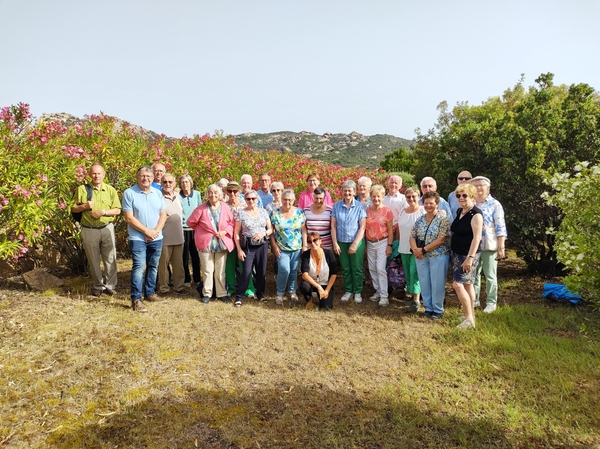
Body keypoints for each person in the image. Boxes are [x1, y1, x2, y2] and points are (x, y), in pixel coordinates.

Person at [71, 163, 121, 297]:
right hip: (89, 229)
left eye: (99, 173)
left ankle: (111, 286)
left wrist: (103, 212)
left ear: (104, 175)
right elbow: (73, 209)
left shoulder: (110, 190)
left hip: (107, 228)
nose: (96, 176)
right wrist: (84, 206)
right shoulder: (82, 189)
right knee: (93, 259)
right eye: (94, 173)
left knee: (110, 258)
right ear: (89, 174)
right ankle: (98, 285)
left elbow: (117, 210)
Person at [122, 166, 167, 312]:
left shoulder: (158, 193)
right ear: (137, 177)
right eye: (142, 176)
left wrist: (155, 232)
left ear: (153, 178)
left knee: (153, 266)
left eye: (148, 176)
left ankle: (149, 293)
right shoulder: (129, 193)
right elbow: (129, 217)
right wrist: (146, 231)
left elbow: (163, 215)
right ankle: (136, 299)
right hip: (138, 238)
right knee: (139, 267)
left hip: (156, 236)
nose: (145, 178)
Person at [186, 184, 235, 303]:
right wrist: (202, 231)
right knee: (208, 270)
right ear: (207, 194)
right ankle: (207, 293)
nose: (213, 195)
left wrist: (224, 231)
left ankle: (222, 293)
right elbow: (190, 222)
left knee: (220, 270)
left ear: (220, 194)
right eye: (210, 192)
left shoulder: (225, 207)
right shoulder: (201, 208)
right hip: (206, 244)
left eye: (216, 192)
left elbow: (232, 223)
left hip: (221, 243)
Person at [409, 191, 450, 320]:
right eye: (426, 203)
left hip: (438, 255)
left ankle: (437, 309)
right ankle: (428, 308)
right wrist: (415, 249)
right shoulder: (420, 219)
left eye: (431, 203)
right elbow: (412, 236)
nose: (428, 206)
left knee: (437, 283)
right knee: (424, 282)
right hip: (421, 256)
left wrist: (424, 250)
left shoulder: (443, 219)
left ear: (437, 204)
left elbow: (442, 239)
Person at [472, 176, 507, 313]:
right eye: (476, 185)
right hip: (473, 245)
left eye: (481, 185)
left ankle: (491, 302)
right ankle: (474, 300)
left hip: (489, 244)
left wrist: (501, 247)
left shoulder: (494, 204)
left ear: (488, 187)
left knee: (490, 275)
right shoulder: (471, 203)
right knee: (473, 274)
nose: (479, 188)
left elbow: (500, 227)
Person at [450, 183, 483, 329]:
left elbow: (477, 238)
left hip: (468, 255)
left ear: (472, 196)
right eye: (458, 195)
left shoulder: (475, 214)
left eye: (465, 195)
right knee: (468, 285)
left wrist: (470, 257)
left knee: (457, 284)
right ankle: (470, 314)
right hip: (457, 253)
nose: (461, 198)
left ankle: (469, 320)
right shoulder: (460, 211)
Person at [234, 189, 273, 306]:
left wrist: (263, 233)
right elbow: (236, 233)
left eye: (253, 198)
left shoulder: (263, 212)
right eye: (248, 199)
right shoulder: (241, 213)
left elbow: (270, 229)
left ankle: (260, 294)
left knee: (261, 271)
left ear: (257, 199)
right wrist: (239, 249)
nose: (251, 201)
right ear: (245, 200)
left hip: (262, 245)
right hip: (248, 246)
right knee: (246, 271)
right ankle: (239, 297)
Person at [332, 180, 367, 303]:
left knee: (356, 268)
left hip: (356, 241)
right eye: (345, 190)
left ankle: (357, 291)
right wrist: (335, 243)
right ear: (342, 192)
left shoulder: (360, 206)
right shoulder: (336, 206)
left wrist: (355, 244)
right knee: (346, 268)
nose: (347, 192)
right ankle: (348, 290)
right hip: (341, 241)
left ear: (354, 192)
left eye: (349, 190)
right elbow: (333, 226)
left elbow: (362, 227)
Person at [270, 189, 306, 304]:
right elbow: (271, 232)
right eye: (285, 199)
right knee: (284, 269)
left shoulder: (299, 213)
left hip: (296, 247)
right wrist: (274, 245)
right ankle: (280, 294)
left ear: (293, 200)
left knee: (294, 271)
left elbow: (304, 230)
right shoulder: (275, 213)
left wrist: (304, 245)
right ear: (281, 199)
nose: (287, 202)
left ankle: (292, 291)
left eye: (290, 200)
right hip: (281, 248)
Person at [397, 187, 425, 313]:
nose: (411, 199)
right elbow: (399, 229)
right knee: (408, 273)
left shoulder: (423, 211)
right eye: (408, 197)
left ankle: (416, 300)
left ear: (419, 197)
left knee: (415, 272)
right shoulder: (403, 211)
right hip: (403, 247)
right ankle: (412, 295)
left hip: (417, 248)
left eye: (414, 196)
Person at [157, 173, 186, 295]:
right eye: (165, 182)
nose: (167, 184)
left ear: (174, 183)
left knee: (178, 263)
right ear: (161, 183)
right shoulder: (158, 196)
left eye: (170, 182)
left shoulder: (178, 196)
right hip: (164, 236)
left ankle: (179, 286)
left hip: (179, 236)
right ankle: (164, 288)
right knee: (163, 265)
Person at [224, 181, 254, 299]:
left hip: (244, 239)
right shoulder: (224, 206)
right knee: (229, 265)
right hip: (229, 239)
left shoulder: (244, 206)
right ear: (226, 192)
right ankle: (231, 288)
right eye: (230, 191)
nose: (232, 193)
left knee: (245, 265)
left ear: (239, 192)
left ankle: (249, 288)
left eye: (235, 191)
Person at [365, 185, 394, 306]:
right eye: (373, 196)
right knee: (372, 268)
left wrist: (389, 245)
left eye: (378, 196)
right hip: (369, 242)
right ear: (370, 197)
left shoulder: (387, 211)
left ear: (382, 197)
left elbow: (391, 230)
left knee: (380, 268)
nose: (376, 199)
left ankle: (384, 295)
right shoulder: (367, 210)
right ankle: (377, 290)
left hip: (382, 242)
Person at [300, 232, 338, 310]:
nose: (313, 243)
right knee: (304, 286)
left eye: (315, 240)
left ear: (320, 241)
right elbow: (304, 275)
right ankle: (310, 300)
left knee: (326, 308)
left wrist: (327, 290)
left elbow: (334, 274)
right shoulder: (306, 254)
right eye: (310, 242)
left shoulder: (328, 253)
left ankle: (322, 297)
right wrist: (318, 287)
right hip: (312, 284)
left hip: (325, 284)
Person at [179, 174, 202, 288]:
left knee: (195, 255)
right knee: (184, 255)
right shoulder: (178, 195)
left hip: (195, 229)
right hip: (182, 228)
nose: (184, 184)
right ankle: (186, 278)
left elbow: (199, 209)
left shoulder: (197, 194)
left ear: (190, 183)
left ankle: (197, 278)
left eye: (186, 182)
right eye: (182, 182)